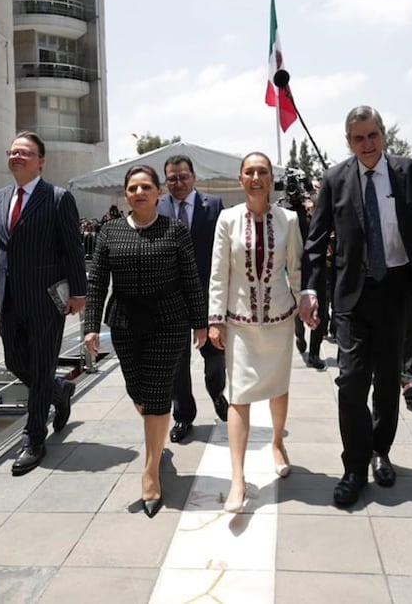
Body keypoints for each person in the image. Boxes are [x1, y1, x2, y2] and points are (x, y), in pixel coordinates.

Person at [299, 106, 412, 509]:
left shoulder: (410, 173)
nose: (367, 144)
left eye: (373, 135)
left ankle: (381, 450)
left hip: (397, 291)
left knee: (386, 381)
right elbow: (316, 240)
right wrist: (311, 290)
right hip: (352, 295)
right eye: (358, 138)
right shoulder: (335, 179)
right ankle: (354, 467)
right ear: (348, 141)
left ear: (383, 135)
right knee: (351, 381)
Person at [83, 165, 208, 518]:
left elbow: (190, 278)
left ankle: (151, 472)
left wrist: (200, 323)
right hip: (124, 322)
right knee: (139, 392)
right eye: (133, 188)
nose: (139, 193)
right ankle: (156, 432)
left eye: (146, 187)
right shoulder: (110, 231)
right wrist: (91, 325)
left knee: (155, 396)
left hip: (168, 321)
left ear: (158, 194)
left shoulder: (174, 230)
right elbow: (97, 283)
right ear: (126, 194)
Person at [0, 131, 88, 477]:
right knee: (14, 361)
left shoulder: (57, 198)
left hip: (46, 302)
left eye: (25, 153)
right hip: (9, 301)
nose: (17, 157)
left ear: (41, 161)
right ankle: (59, 390)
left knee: (38, 368)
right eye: (13, 152)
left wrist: (79, 292)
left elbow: (73, 249)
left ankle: (33, 439)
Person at [207, 152, 302, 513]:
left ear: (272, 178)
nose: (257, 177)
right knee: (239, 396)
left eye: (263, 171)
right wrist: (215, 319)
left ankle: (278, 442)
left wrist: (306, 301)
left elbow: (296, 270)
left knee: (278, 389)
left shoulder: (289, 219)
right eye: (250, 172)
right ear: (241, 178)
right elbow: (218, 273)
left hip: (278, 319)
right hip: (240, 323)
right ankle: (238, 478)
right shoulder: (227, 219)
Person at [156, 154, 228, 442]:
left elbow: (223, 252)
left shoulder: (214, 206)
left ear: (193, 176)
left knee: (214, 356)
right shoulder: (157, 206)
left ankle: (217, 392)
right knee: (176, 361)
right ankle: (183, 415)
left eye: (183, 176)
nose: (178, 182)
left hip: (207, 294)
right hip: (170, 296)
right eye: (172, 178)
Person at [292, 184, 327, 370]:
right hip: (298, 270)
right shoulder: (299, 219)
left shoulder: (326, 221)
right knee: (298, 309)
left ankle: (314, 352)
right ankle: (299, 334)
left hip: (320, 271)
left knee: (321, 313)